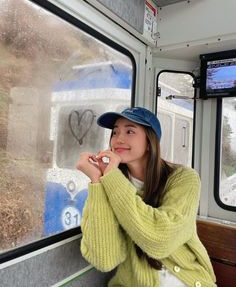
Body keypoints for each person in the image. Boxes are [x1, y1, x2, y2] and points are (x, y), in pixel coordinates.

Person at [76, 107, 216, 287]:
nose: (118, 139)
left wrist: (110, 176)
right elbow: (105, 259)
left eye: (130, 131)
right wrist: (97, 181)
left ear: (150, 142)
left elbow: (161, 240)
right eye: (115, 132)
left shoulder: (183, 178)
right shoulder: (110, 182)